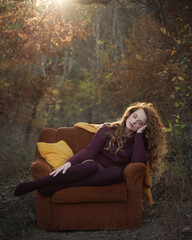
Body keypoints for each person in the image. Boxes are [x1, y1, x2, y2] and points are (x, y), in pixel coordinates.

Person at [14, 102, 167, 197]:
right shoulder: (108, 130)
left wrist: (139, 135)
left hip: (109, 174)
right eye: (135, 117)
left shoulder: (138, 142)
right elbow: (89, 151)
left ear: (144, 127)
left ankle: (58, 187)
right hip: (92, 167)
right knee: (90, 165)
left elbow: (137, 162)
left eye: (140, 122)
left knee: (118, 172)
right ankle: (36, 184)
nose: (135, 122)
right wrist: (69, 163)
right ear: (129, 115)